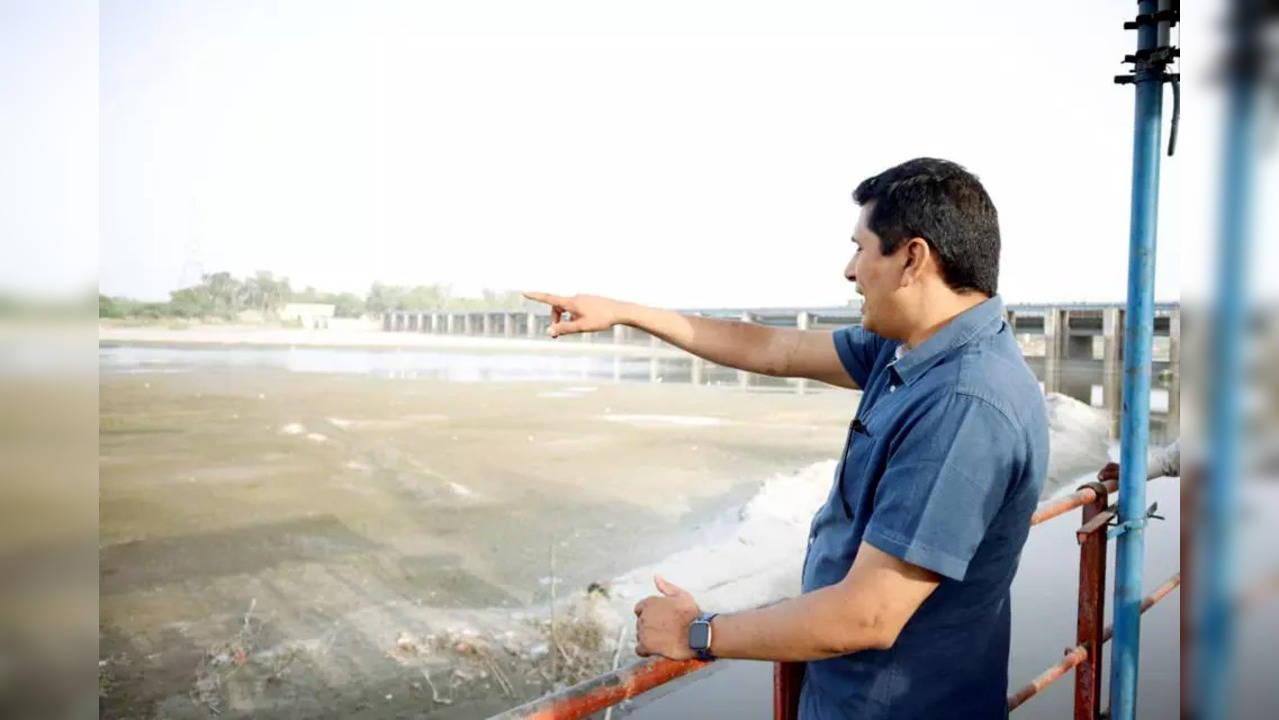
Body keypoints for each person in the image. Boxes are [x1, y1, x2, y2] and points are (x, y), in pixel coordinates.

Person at [524, 157, 1048, 718]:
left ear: (913, 259)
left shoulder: (962, 404)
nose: (850, 271)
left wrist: (697, 632)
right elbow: (771, 351)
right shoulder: (912, 351)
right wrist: (623, 312)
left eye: (861, 248)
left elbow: (867, 614)